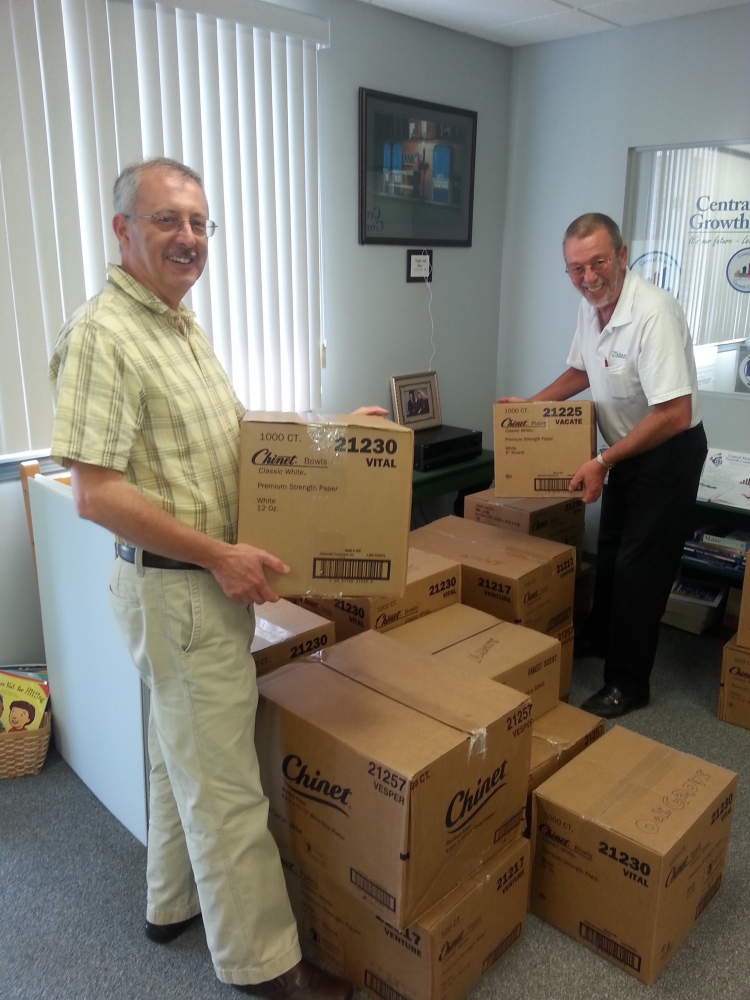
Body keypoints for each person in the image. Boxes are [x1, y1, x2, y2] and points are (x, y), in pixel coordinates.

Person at [49, 156, 385, 997]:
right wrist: (219, 554)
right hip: (182, 590)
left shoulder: (178, 324)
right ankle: (267, 970)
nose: (189, 238)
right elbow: (96, 493)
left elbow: (236, 443)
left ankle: (171, 903)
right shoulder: (106, 335)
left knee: (181, 754)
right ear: (123, 230)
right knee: (228, 788)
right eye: (168, 220)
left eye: (199, 223)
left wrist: (333, 432)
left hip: (192, 590)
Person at [500, 212, 707, 719]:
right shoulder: (591, 308)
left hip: (667, 453)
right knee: (611, 551)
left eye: (597, 263)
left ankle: (630, 681)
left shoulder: (654, 312)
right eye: (575, 268)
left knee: (640, 570)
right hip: (625, 451)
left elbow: (675, 414)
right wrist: (530, 407)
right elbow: (580, 370)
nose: (588, 278)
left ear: (621, 254)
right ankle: (598, 634)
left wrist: (601, 461)